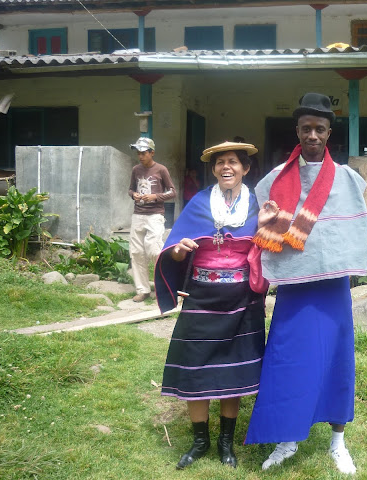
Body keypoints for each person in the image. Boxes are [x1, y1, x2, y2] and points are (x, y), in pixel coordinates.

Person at [245, 93, 367, 476]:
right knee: (289, 359)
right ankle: (287, 438)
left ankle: (338, 442)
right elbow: (262, 227)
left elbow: (349, 229)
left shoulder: (348, 180)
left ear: (329, 133)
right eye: (306, 128)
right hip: (294, 284)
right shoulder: (274, 182)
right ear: (297, 131)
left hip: (332, 286)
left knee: (336, 358)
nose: (312, 135)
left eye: (319, 128)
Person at [153, 141, 267, 470]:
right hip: (202, 299)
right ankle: (200, 441)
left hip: (243, 301)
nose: (226, 167)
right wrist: (180, 250)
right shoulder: (200, 203)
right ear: (214, 169)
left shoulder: (258, 205)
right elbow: (175, 251)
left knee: (234, 370)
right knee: (196, 369)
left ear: (245, 168)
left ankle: (225, 443)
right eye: (220, 163)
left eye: (233, 162)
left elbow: (272, 244)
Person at [128, 136, 176, 302]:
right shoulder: (136, 170)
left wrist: (155, 196)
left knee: (154, 250)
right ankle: (143, 290)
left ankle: (165, 286)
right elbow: (130, 189)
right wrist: (134, 195)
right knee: (136, 252)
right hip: (138, 214)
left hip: (155, 215)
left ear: (152, 152)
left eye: (143, 153)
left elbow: (172, 192)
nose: (140, 156)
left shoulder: (161, 169)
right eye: (138, 153)